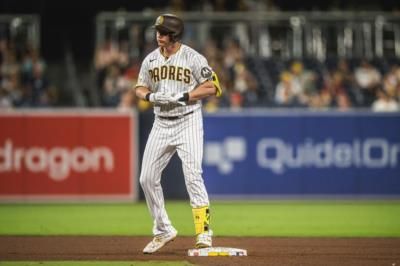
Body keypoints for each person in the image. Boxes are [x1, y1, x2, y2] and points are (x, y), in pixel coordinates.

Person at [133, 13, 222, 254]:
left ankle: (204, 232)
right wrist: (149, 96)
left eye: (162, 32)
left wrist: (184, 96)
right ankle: (163, 229)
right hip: (161, 122)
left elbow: (213, 86)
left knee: (193, 175)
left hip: (188, 121)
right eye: (157, 31)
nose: (158, 35)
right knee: (146, 178)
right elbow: (140, 86)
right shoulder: (150, 60)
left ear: (174, 35)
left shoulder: (193, 57)